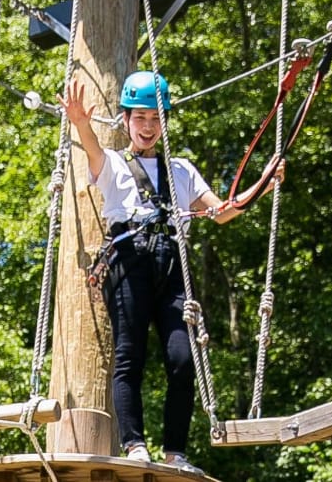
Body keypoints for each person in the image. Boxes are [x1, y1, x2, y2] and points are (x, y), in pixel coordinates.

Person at [61, 70, 283, 475]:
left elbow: (221, 212)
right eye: (140, 117)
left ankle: (175, 451)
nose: (148, 127)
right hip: (130, 261)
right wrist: (80, 123)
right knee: (131, 355)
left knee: (183, 359)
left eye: (155, 119)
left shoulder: (180, 170)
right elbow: (92, 149)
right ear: (125, 120)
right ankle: (134, 444)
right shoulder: (113, 164)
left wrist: (263, 184)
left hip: (172, 262)